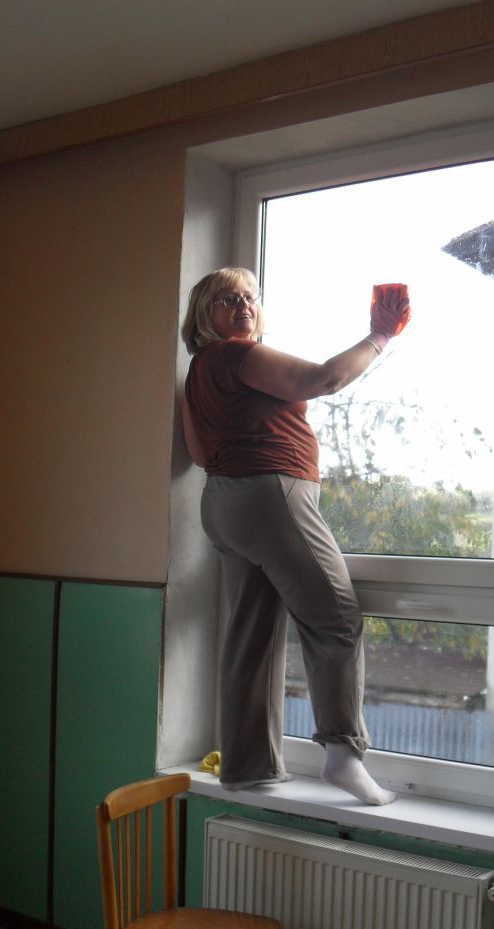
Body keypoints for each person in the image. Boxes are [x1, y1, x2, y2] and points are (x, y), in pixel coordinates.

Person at [181, 267, 410, 805]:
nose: (243, 306)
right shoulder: (236, 354)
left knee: (251, 633)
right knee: (336, 619)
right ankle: (343, 755)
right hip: (270, 497)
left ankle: (246, 766)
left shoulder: (197, 372)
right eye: (226, 300)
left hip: (221, 504)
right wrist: (380, 335)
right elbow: (324, 380)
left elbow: (197, 453)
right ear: (204, 316)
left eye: (249, 297)